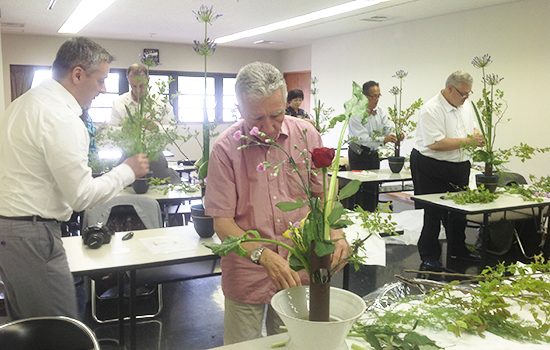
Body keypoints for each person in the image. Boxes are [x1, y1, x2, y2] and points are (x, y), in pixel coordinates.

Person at [0, 37, 150, 321]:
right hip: (32, 235)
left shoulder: (25, 103)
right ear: (78, 74)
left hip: (11, 231)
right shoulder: (62, 118)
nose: (104, 89)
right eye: (101, 80)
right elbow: (81, 196)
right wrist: (127, 170)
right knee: (59, 330)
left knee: (28, 326)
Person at [204, 62, 349, 345]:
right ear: (240, 109)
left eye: (277, 114)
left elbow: (321, 200)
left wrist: (336, 234)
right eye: (256, 118)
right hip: (247, 273)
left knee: (293, 343)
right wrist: (263, 255)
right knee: (243, 345)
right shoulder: (225, 149)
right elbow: (222, 223)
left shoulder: (306, 135)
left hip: (298, 267)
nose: (268, 127)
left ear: (285, 103)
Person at [410, 70, 485, 271]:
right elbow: (435, 143)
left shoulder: (466, 103)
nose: (466, 97)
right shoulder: (432, 109)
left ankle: (458, 249)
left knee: (458, 212)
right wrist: (470, 141)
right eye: (463, 93)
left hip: (459, 163)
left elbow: (474, 127)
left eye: (469, 93)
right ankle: (429, 255)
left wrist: (476, 135)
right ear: (449, 89)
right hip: (431, 164)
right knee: (433, 212)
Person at [109, 63, 180, 183]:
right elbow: (110, 131)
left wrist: (157, 128)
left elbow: (173, 130)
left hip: (155, 158)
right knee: (126, 197)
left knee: (161, 196)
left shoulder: (161, 102)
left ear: (148, 80)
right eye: (133, 86)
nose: (137, 91)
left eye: (141, 86)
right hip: (129, 157)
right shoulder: (119, 103)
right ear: (128, 81)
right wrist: (124, 130)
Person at [347, 80, 399, 211]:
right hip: (358, 155)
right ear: (365, 96)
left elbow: (389, 127)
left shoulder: (380, 111)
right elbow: (363, 138)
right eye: (373, 96)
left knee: (373, 190)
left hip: (373, 155)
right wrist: (384, 139)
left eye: (378, 96)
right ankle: (358, 220)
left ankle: (372, 217)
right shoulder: (356, 113)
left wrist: (396, 134)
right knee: (359, 191)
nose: (376, 99)